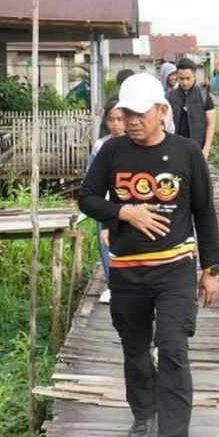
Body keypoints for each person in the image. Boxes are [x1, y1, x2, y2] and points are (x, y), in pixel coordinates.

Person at [79, 73, 219, 437]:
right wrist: (124, 211)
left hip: (175, 269)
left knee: (174, 349)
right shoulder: (111, 153)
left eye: (140, 113)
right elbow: (86, 198)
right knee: (136, 349)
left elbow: (204, 213)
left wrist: (210, 269)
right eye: (126, 113)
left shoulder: (187, 153)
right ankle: (144, 413)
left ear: (162, 110)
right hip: (127, 270)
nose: (132, 120)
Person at [86, 100, 126, 303]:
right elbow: (91, 177)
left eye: (120, 119)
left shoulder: (134, 145)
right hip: (106, 203)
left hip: (129, 204)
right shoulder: (100, 145)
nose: (116, 124)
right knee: (105, 244)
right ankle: (112, 285)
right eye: (111, 119)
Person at [166, 57, 217, 161]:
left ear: (194, 75)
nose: (185, 82)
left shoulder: (204, 96)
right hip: (175, 149)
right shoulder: (170, 96)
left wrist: (206, 150)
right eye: (181, 79)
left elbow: (211, 123)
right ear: (177, 77)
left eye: (188, 78)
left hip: (197, 149)